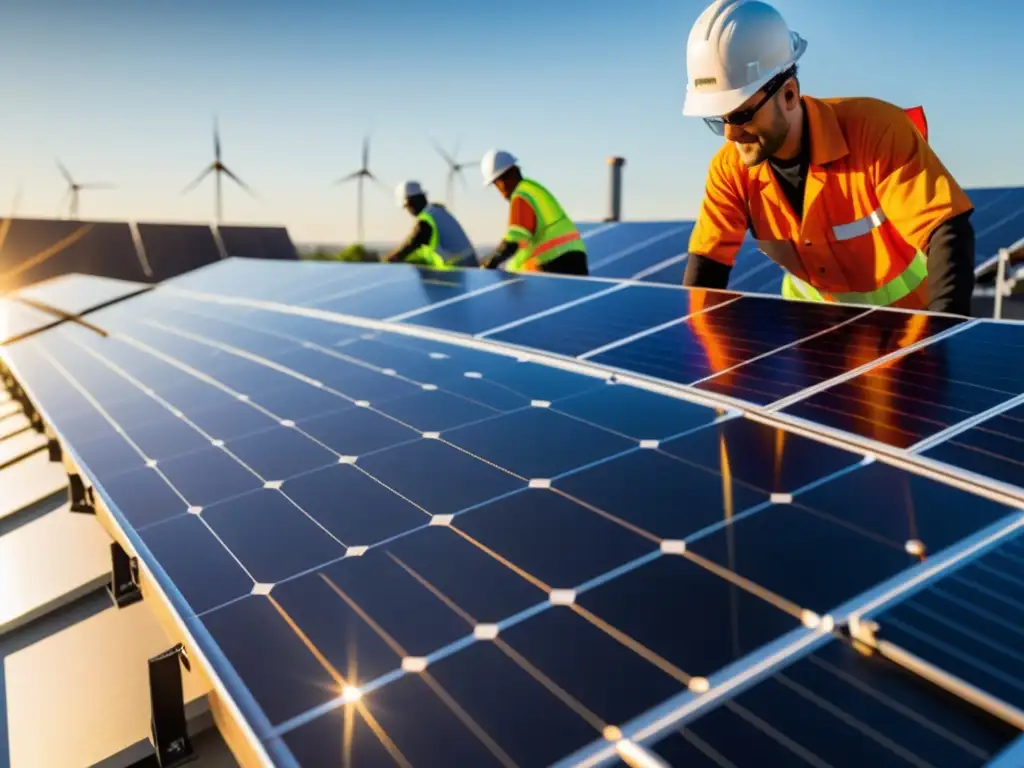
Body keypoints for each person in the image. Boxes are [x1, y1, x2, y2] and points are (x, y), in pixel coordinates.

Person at [680, 0, 976, 316]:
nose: (730, 134)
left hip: (906, 322)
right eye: (718, 119)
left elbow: (945, 229)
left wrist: (939, 335)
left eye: (742, 115)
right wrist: (695, 344)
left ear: (789, 93)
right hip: (810, 332)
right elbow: (707, 264)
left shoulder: (876, 132)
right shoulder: (729, 171)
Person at [478, 150, 589, 275]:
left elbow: (512, 242)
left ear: (503, 180)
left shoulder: (521, 196)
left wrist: (488, 266)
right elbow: (525, 245)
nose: (501, 189)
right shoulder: (533, 189)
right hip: (574, 257)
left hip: (557, 261)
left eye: (497, 183)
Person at [381, 181, 476, 268]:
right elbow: (423, 252)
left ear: (409, 202)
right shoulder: (438, 212)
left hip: (456, 270)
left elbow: (410, 246)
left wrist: (388, 260)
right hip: (470, 267)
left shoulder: (425, 221)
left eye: (406, 207)